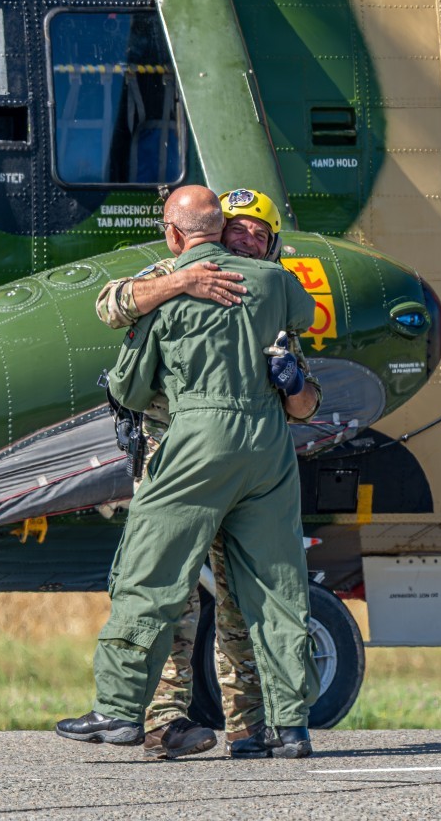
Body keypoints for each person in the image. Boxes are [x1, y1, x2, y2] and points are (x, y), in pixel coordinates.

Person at [57, 186, 320, 759]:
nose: (247, 240)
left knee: (164, 582)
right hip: (246, 453)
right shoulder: (255, 287)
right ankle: (186, 722)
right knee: (259, 590)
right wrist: (180, 279)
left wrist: (294, 385)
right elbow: (110, 302)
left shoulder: (265, 297)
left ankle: (224, 725)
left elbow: (130, 382)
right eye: (238, 231)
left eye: (259, 235)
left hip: (191, 451)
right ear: (215, 232)